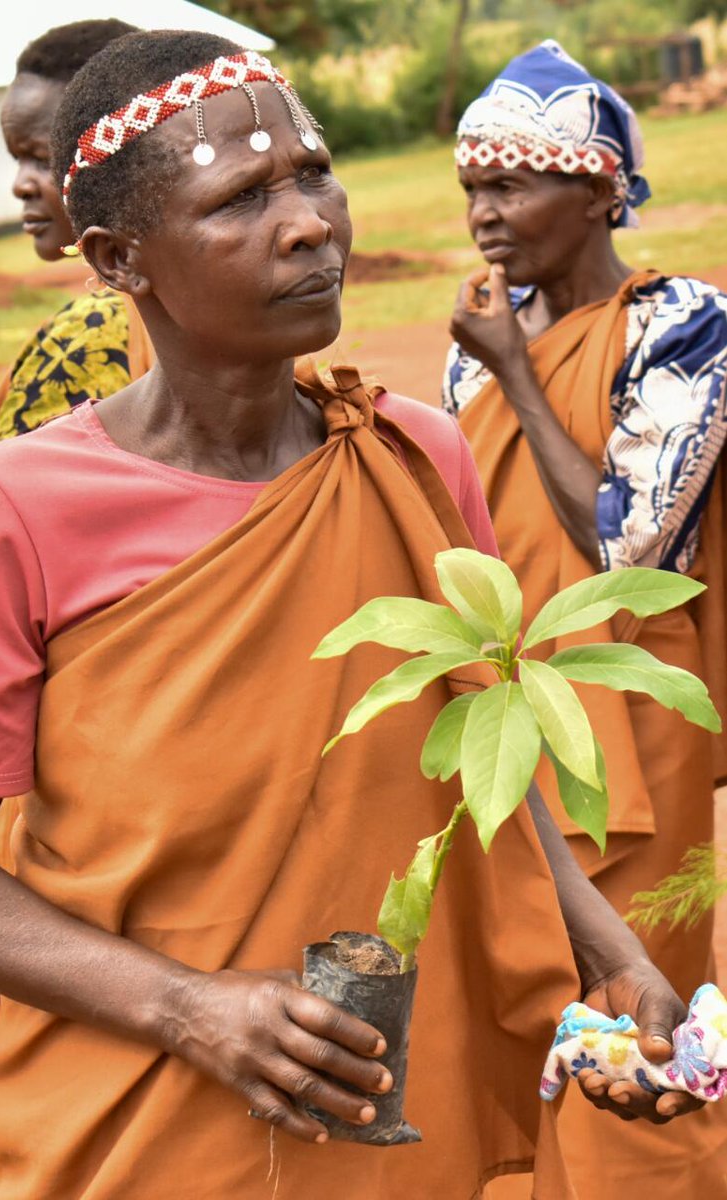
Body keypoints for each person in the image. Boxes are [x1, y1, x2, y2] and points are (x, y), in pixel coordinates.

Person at [0, 31, 706, 1199]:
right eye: (240, 199)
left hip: (374, 1091)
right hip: (141, 1107)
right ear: (120, 258)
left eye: (312, 171)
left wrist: (606, 949)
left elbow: (487, 747)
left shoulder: (414, 453)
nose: (311, 221)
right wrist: (189, 1010)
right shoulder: (11, 512)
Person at [443, 39, 727, 1197]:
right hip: (509, 708)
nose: (482, 214)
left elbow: (627, 542)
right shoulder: (480, 338)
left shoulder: (685, 327)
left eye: (508, 184)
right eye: (470, 187)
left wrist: (513, 370)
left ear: (600, 188)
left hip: (634, 707)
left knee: (638, 1007)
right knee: (525, 985)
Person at [0, 18, 153, 456]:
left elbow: (3, 510)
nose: (20, 185)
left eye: (42, 158)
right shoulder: (210, 303)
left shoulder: (90, 335)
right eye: (17, 158)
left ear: (124, 156)